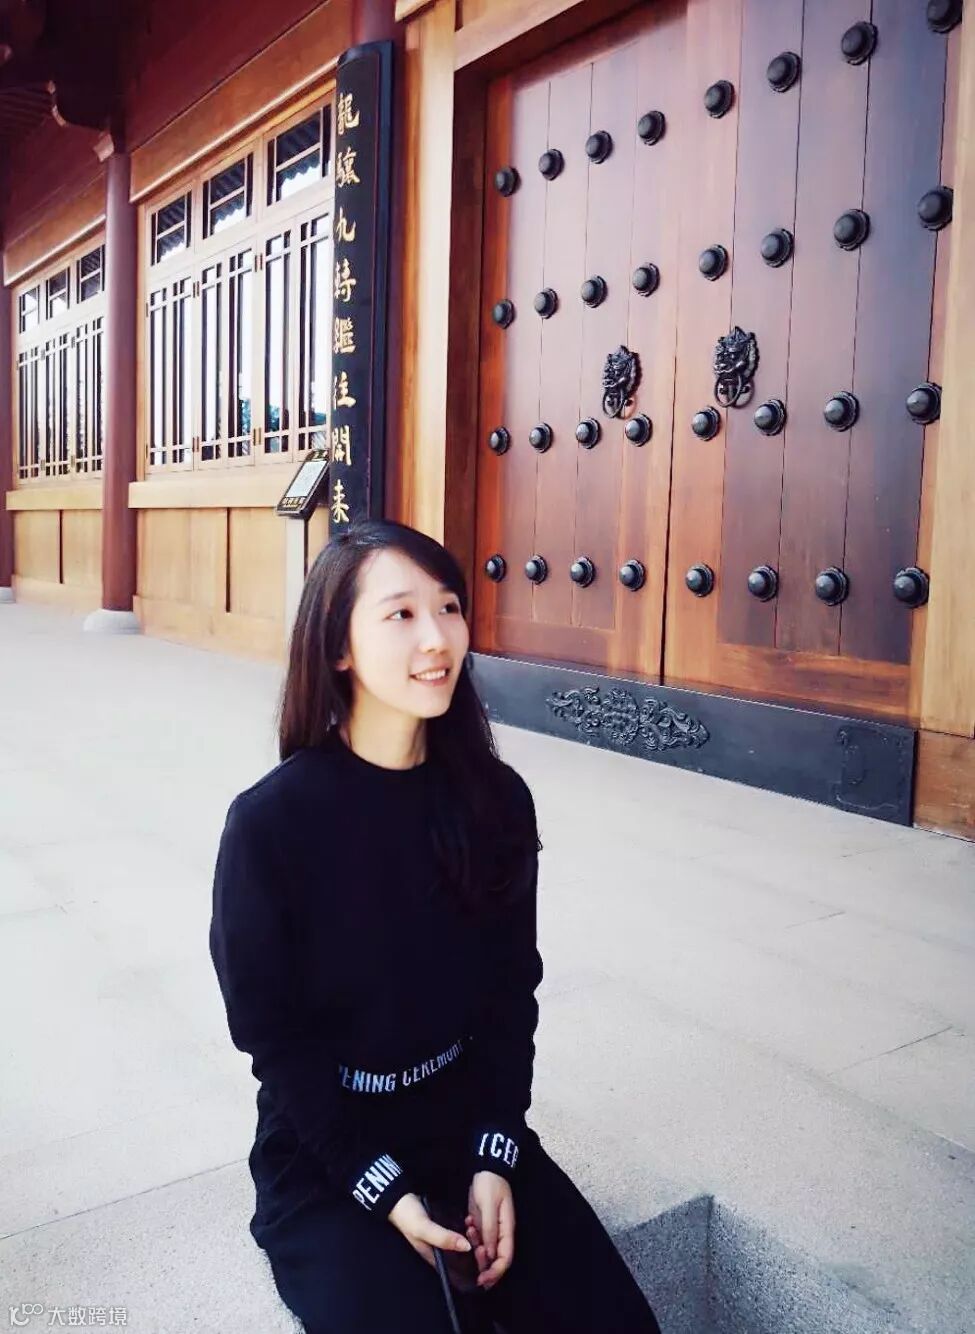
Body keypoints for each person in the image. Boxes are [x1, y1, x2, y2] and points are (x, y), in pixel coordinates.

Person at [209, 517, 664, 1333]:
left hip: (462, 1120)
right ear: (337, 647)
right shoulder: (271, 826)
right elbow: (272, 1038)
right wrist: (384, 1191)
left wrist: (495, 1153)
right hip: (327, 1151)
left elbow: (508, 995)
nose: (437, 637)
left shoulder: (493, 801)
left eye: (448, 607)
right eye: (401, 614)